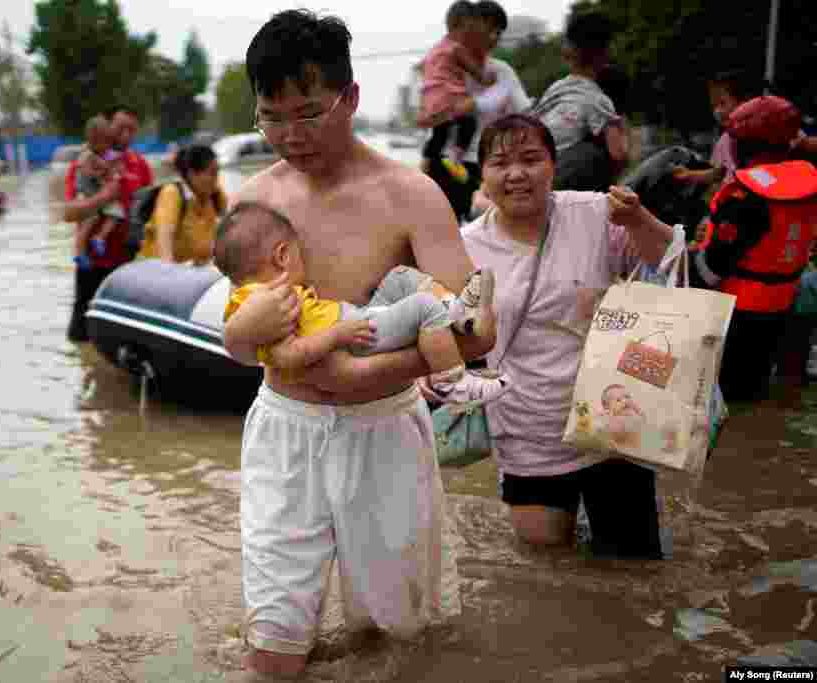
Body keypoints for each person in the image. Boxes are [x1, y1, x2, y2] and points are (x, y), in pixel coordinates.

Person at [221, 10, 496, 680]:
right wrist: (243, 335)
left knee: (395, 636)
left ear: (351, 97)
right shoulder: (255, 200)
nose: (290, 134)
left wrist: (362, 375)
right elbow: (235, 338)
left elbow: (476, 327)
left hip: (383, 429)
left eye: (309, 112)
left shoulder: (410, 195)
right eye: (272, 116)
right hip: (285, 432)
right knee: (275, 648)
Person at [447, 113, 673, 558]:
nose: (516, 174)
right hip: (526, 427)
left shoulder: (595, 214)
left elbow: (669, 264)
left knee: (633, 566)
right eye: (499, 163)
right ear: (483, 175)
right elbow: (450, 335)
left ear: (553, 164)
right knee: (545, 567)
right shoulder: (464, 247)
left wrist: (639, 220)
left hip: (614, 418)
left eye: (531, 159)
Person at [215, 200, 507, 405]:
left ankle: (456, 310)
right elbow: (288, 358)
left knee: (400, 277)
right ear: (282, 256)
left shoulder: (258, 297)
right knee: (423, 307)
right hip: (354, 336)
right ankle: (451, 382)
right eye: (299, 253)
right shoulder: (266, 302)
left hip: (357, 320)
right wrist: (337, 335)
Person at [687, 95, 817, 401]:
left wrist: (687, 263)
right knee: (755, 392)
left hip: (736, 314)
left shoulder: (745, 195)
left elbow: (713, 267)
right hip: (780, 306)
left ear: (742, 145)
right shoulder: (806, 185)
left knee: (721, 399)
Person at [430, 0, 530, 222]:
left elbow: (525, 114)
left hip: (486, 165)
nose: (494, 37)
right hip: (447, 163)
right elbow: (434, 115)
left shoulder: (502, 71)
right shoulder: (447, 68)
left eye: (499, 32)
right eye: (489, 28)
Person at [62, 105, 154, 343]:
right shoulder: (84, 163)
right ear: (106, 126)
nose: (126, 134)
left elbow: (150, 214)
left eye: (132, 130)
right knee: (81, 336)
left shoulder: (140, 165)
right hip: (91, 263)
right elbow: (69, 213)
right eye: (120, 127)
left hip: (127, 264)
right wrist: (104, 198)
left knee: (122, 336)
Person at [531, 11, 627, 192]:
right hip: (558, 180)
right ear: (604, 54)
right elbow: (618, 153)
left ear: (568, 50)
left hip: (534, 168)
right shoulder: (598, 99)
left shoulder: (555, 89)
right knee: (597, 153)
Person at [417, 0, 499, 185]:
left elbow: (422, 68)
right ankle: (455, 157)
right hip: (451, 97)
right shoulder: (456, 48)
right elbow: (478, 74)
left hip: (432, 99)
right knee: (468, 122)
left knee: (439, 134)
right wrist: (489, 79)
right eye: (469, 30)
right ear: (460, 26)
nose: (471, 36)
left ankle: (425, 164)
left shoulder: (435, 49)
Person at [672, 69, 765, 191]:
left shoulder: (767, 132)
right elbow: (718, 174)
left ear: (745, 102)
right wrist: (689, 174)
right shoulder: (725, 141)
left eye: (722, 103)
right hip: (736, 202)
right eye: (714, 106)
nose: (717, 112)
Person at [139, 144, 227, 265]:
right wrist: (169, 272)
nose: (216, 180)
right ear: (192, 173)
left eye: (217, 173)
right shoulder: (172, 193)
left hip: (193, 271)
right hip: (156, 273)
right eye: (212, 173)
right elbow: (165, 240)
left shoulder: (214, 195)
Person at [72, 116, 126, 270]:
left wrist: (113, 170)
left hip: (100, 193)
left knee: (116, 213)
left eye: (107, 142)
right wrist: (100, 171)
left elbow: (115, 168)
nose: (104, 146)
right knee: (90, 219)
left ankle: (100, 238)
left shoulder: (108, 154)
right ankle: (79, 252)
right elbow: (85, 170)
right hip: (85, 193)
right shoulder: (86, 155)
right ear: (91, 140)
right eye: (100, 142)